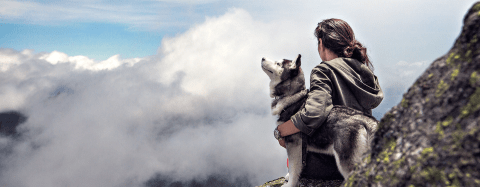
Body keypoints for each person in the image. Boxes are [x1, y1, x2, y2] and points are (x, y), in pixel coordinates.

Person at [276, 18, 384, 181]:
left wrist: (281, 131)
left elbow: (314, 112)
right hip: (361, 157)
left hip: (328, 165)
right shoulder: (363, 70)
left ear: (321, 43)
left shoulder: (323, 70)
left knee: (293, 145)